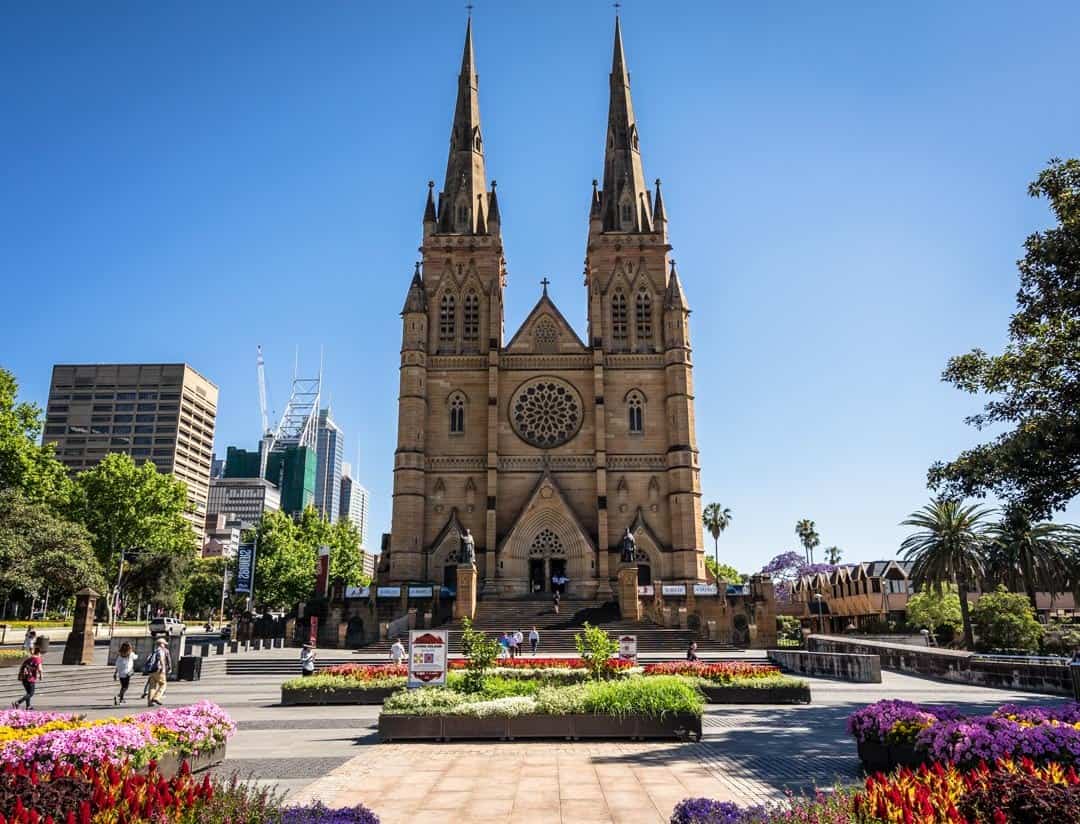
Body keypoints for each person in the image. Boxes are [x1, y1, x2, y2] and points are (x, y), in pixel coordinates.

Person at [11, 642, 44, 709]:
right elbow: (40, 669)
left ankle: (28, 706)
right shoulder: (37, 659)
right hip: (30, 678)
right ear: (38, 653)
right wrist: (41, 675)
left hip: (24, 678)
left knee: (28, 693)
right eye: (40, 654)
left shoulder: (29, 659)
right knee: (31, 693)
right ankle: (18, 702)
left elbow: (22, 667)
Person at [145, 637, 171, 706]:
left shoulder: (154, 651)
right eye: (164, 644)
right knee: (163, 684)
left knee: (152, 687)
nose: (165, 645)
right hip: (158, 670)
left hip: (151, 670)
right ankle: (156, 697)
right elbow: (163, 660)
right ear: (162, 644)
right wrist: (164, 668)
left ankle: (150, 702)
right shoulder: (162, 651)